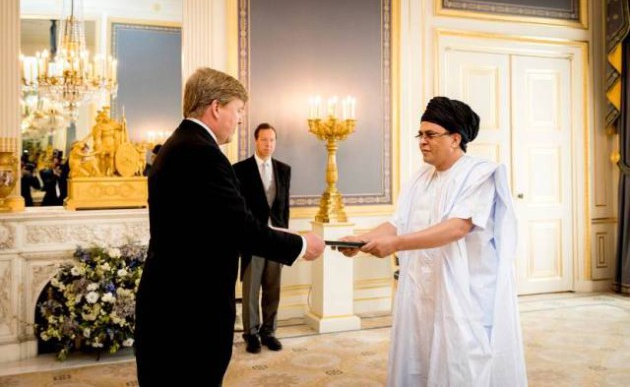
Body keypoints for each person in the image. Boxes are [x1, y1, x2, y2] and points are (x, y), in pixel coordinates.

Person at [134, 67, 325, 387]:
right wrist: (301, 245)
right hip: (190, 313)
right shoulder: (202, 154)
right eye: (238, 110)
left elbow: (214, 226)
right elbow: (240, 228)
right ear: (215, 107)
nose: (239, 120)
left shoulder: (178, 145)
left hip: (169, 305)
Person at [340, 96, 527, 386]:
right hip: (422, 289)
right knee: (421, 355)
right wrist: (361, 239)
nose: (422, 141)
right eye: (420, 134)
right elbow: (396, 223)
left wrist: (397, 244)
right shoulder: (420, 179)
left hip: (465, 293)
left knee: (460, 362)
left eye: (430, 134)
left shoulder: (479, 174)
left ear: (455, 138)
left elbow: (456, 228)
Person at [234, 123, 290, 353]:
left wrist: (285, 234)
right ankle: (252, 334)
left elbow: (284, 206)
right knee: (251, 289)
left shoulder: (284, 169)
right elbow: (238, 206)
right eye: (264, 140)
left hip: (276, 236)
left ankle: (269, 332)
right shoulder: (240, 169)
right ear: (255, 141)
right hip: (252, 237)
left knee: (273, 287)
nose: (268, 144)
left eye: (272, 140)